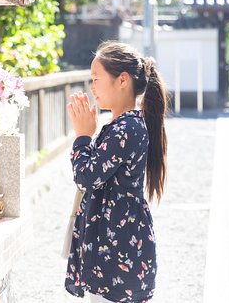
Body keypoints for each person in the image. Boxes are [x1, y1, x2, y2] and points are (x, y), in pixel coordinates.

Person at [65, 41, 168, 303]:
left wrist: (82, 137)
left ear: (122, 80)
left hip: (117, 256)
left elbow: (87, 177)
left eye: (97, 79)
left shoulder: (127, 128)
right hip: (116, 251)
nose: (92, 87)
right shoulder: (123, 125)